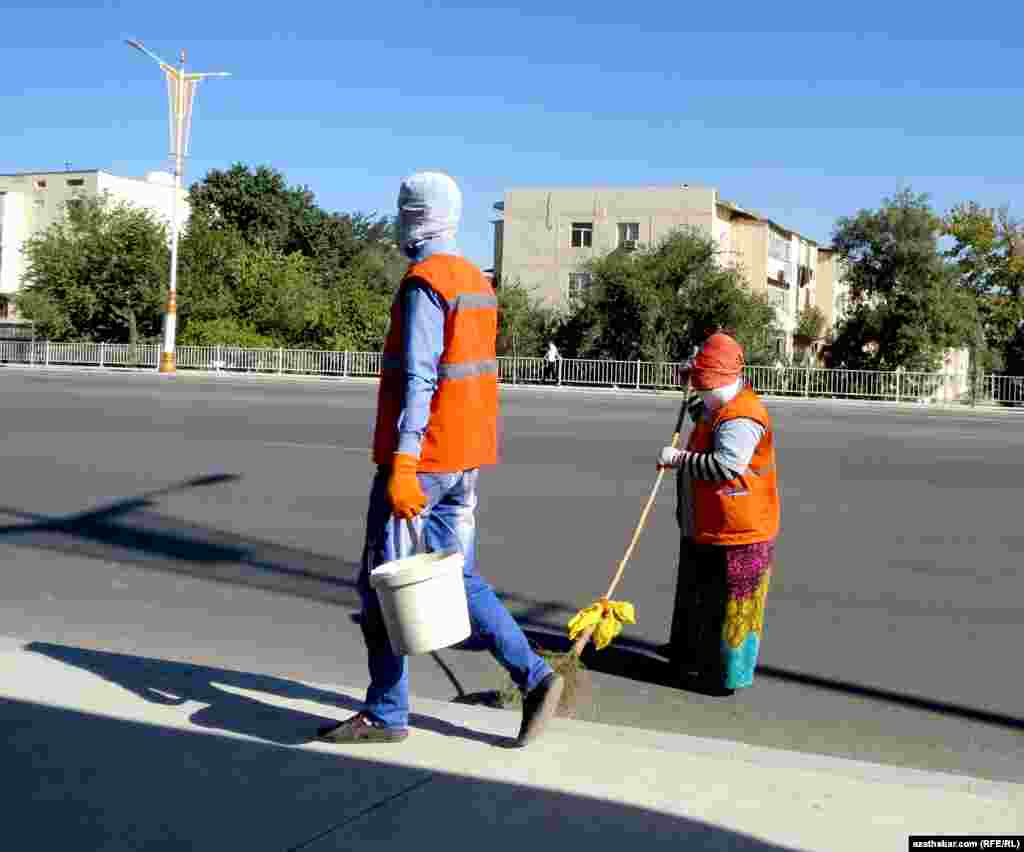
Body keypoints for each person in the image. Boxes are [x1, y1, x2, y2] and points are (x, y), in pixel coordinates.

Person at [317, 171, 563, 747]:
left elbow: (420, 380)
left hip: (423, 462)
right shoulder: (475, 279)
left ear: (413, 217)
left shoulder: (424, 281)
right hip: (464, 460)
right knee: (460, 576)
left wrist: (403, 465)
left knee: (382, 585)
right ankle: (535, 678)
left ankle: (386, 712)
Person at [655, 332, 780, 695]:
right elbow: (701, 407)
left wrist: (677, 459)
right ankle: (691, 654)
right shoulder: (716, 406)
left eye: (705, 383)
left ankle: (727, 676)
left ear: (724, 382)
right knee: (698, 595)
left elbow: (726, 466)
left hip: (741, 530)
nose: (700, 390)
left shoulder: (743, 416)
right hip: (707, 525)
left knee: (734, 606)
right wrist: (689, 382)